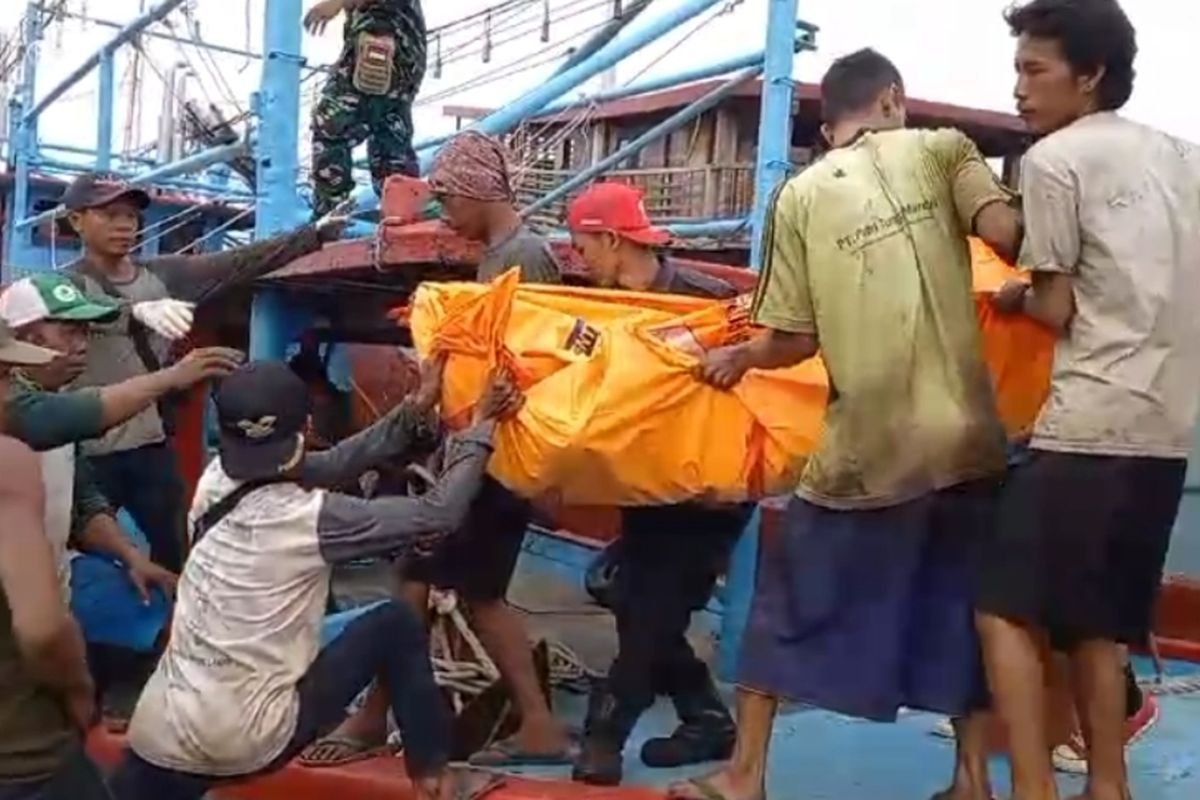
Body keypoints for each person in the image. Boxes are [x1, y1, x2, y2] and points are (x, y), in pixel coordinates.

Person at [668, 49, 1022, 800]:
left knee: (785, 605)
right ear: (893, 98)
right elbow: (1010, 233)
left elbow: (793, 338)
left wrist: (737, 358)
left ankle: (746, 776)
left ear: (831, 125)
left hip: (870, 449)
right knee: (963, 609)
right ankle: (970, 781)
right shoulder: (944, 148)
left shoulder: (799, 196)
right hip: (969, 440)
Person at [108, 357, 522, 800]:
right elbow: (438, 514)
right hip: (246, 741)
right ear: (305, 428)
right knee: (394, 624)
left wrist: (414, 409)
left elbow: (330, 464)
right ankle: (435, 781)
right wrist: (482, 426)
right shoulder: (309, 518)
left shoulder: (215, 480)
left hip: (157, 735)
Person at [976, 2, 1200, 799]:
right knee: (1098, 626)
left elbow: (1056, 307)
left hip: (1089, 424)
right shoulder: (1186, 157)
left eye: (1034, 70)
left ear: (1091, 74)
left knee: (1002, 608)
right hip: (1165, 432)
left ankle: (1034, 788)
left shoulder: (1054, 160)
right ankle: (1109, 786)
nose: (1019, 90)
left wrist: (1009, 294)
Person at [302, 130, 571, 769]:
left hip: (497, 457)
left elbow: (526, 367)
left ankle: (377, 716)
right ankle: (533, 723)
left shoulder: (522, 258)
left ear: (480, 191)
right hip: (483, 450)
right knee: (462, 590)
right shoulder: (500, 255)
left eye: (449, 200)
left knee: (423, 582)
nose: (445, 214)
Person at [62, 171, 342, 574]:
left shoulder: (164, 275)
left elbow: (238, 261)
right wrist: (131, 311)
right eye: (108, 214)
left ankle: (177, 626)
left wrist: (313, 234)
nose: (124, 225)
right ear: (76, 220)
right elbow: (57, 305)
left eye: (130, 215)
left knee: (176, 548)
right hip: (87, 453)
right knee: (80, 553)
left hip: (150, 446)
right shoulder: (63, 284)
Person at [563, 181, 749, 785]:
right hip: (644, 484)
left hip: (707, 490)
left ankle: (604, 737)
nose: (577, 258)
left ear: (613, 239)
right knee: (633, 598)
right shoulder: (599, 310)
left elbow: (759, 389)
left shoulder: (709, 304)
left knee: (648, 610)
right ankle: (706, 717)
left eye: (582, 244)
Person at [0, 273, 242, 726]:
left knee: (150, 595)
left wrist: (131, 556)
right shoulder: (18, 406)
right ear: (24, 337)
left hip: (49, 590)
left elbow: (83, 503)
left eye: (86, 333)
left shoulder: (51, 403)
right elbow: (67, 418)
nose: (81, 344)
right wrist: (171, 377)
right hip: (17, 612)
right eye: (68, 331)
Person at [0, 321, 111, 800]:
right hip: (23, 754)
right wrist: (78, 687)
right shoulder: (8, 461)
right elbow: (41, 627)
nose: (11, 394)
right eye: (4, 376)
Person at [306, 0, 427, 217]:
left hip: (380, 42)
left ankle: (329, 220)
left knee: (331, 127)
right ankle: (404, 218)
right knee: (390, 139)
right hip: (405, 52)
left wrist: (335, 4)